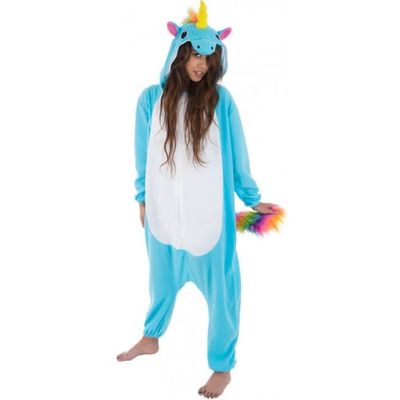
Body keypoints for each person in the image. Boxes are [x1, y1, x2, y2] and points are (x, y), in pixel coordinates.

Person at [117, 1, 278, 398]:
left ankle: (222, 367)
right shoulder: (150, 100)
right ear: (178, 53)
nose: (202, 64)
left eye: (209, 56)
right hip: (165, 215)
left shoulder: (220, 101)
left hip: (210, 219)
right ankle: (151, 337)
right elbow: (142, 154)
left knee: (223, 290)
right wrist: (142, 197)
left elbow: (238, 153)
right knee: (160, 280)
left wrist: (252, 198)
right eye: (195, 54)